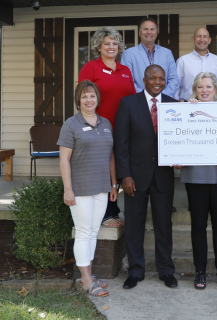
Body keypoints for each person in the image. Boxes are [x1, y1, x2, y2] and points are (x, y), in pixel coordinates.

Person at [115, 65, 178, 290]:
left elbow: (181, 139)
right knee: (134, 226)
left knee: (164, 225)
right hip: (135, 177)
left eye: (161, 78)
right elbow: (120, 143)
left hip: (163, 176)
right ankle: (135, 271)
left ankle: (166, 271)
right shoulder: (129, 103)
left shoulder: (174, 104)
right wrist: (125, 175)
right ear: (144, 79)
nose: (157, 82)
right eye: (153, 78)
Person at [58, 80, 117, 297]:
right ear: (78, 100)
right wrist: (67, 189)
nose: (89, 100)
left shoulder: (106, 123)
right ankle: (85, 279)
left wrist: (113, 184)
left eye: (92, 96)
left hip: (102, 186)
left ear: (97, 99)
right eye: (84, 96)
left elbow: (111, 155)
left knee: (93, 232)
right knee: (83, 233)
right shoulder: (71, 124)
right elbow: (64, 159)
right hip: (80, 187)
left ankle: (89, 276)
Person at [175, 72, 217, 290]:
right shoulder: (186, 111)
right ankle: (200, 271)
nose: (205, 90)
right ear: (195, 90)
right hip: (195, 176)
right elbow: (176, 138)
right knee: (198, 225)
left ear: (216, 90)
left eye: (209, 87)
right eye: (200, 87)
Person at [78, 26, 135, 228]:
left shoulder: (125, 70)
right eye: (106, 43)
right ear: (98, 46)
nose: (111, 47)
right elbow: (83, 97)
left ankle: (117, 210)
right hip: (100, 128)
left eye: (114, 43)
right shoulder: (91, 68)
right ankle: (107, 215)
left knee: (121, 169)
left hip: (124, 128)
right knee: (103, 170)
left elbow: (133, 100)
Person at [121, 17, 179, 98]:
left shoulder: (167, 53)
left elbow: (174, 79)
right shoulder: (129, 54)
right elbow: (127, 81)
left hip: (163, 102)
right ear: (139, 32)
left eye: (152, 29)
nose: (149, 32)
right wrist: (146, 97)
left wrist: (161, 97)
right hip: (139, 101)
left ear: (156, 32)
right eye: (145, 29)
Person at [175, 28, 217, 101]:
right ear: (193, 39)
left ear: (209, 40)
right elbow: (176, 87)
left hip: (213, 106)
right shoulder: (182, 61)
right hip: (189, 106)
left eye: (205, 36)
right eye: (199, 36)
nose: (202, 39)